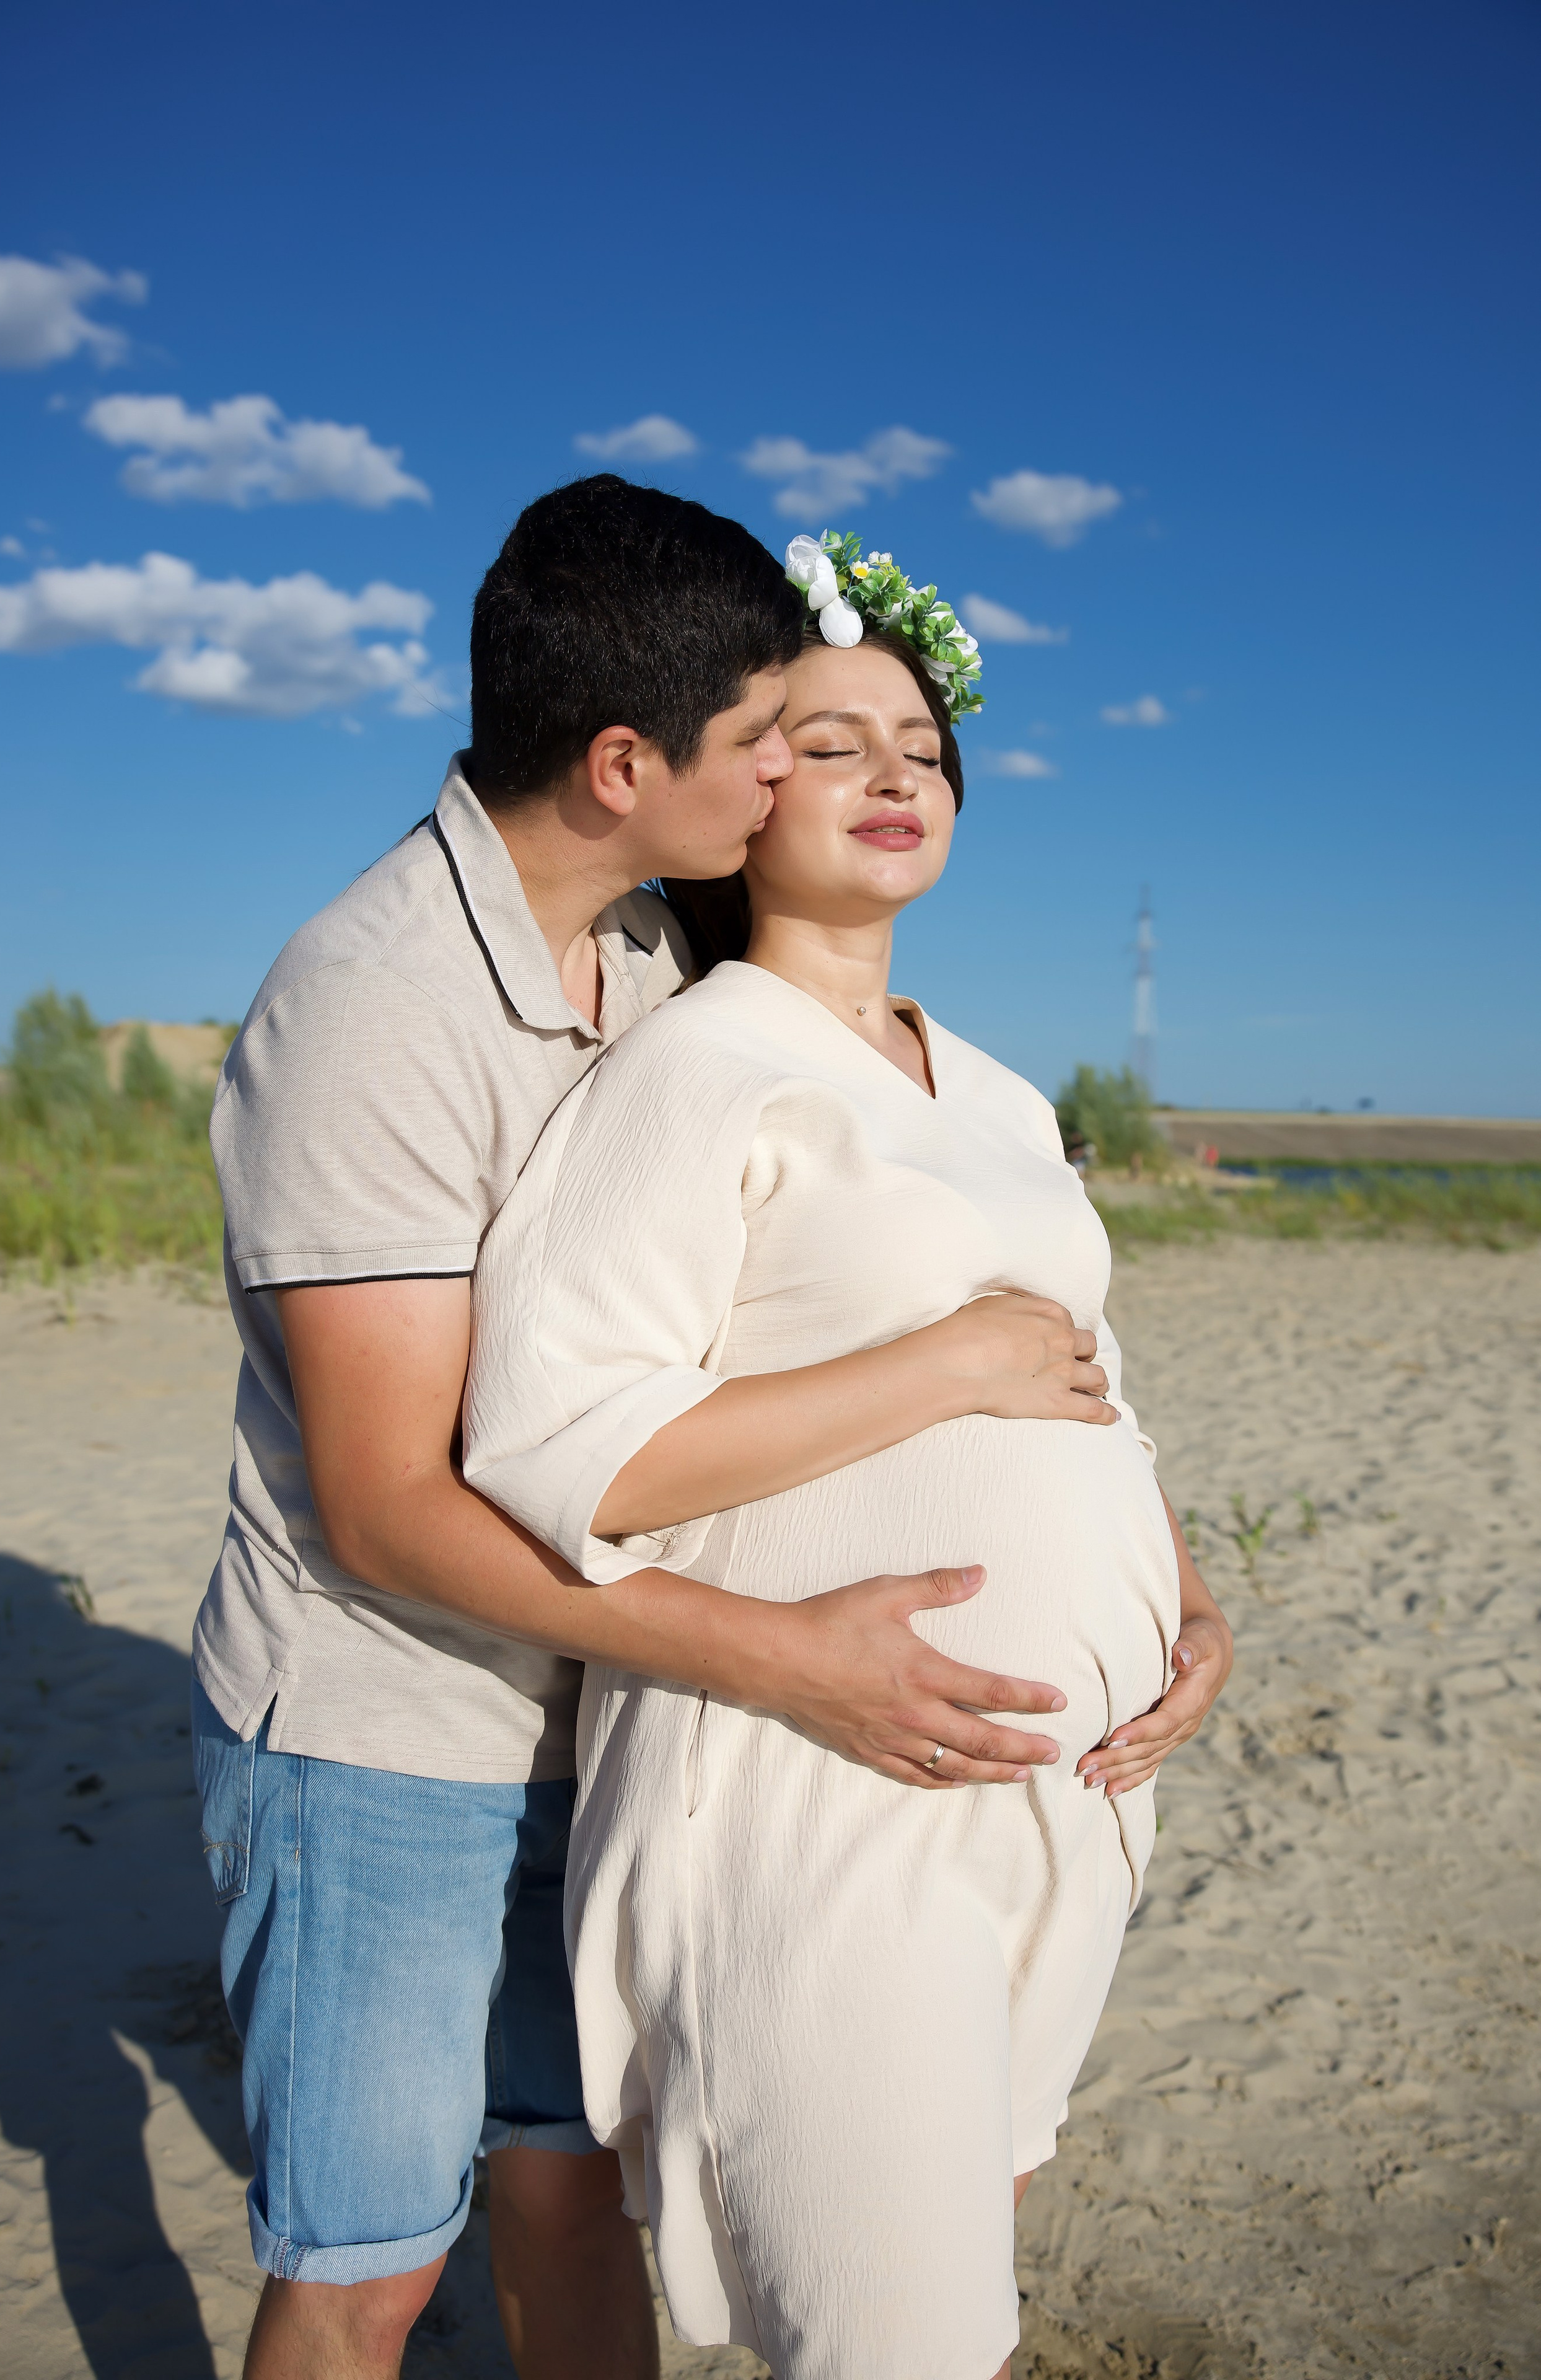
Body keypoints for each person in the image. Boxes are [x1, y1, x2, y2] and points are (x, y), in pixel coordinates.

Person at [191, 481, 1169, 2380]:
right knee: (372, 2262)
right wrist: (790, 1655)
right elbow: (395, 1511)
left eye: (902, 743)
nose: (794, 780)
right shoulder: (377, 1010)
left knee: (576, 2198)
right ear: (631, 762)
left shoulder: (656, 959)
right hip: (398, 1722)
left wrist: (1159, 1590)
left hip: (610, 1708)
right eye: (768, 742)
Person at [465, 532, 1234, 2380]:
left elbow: (1084, 1376)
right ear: (736, 789)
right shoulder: (694, 1069)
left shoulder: (994, 1087)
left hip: (1062, 1798)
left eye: (922, 741)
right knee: (898, 2344)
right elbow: (566, 1443)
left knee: (960, 2280)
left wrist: (1191, 1609)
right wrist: (938, 1362)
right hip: (824, 1792)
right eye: (832, 739)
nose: (899, 772)